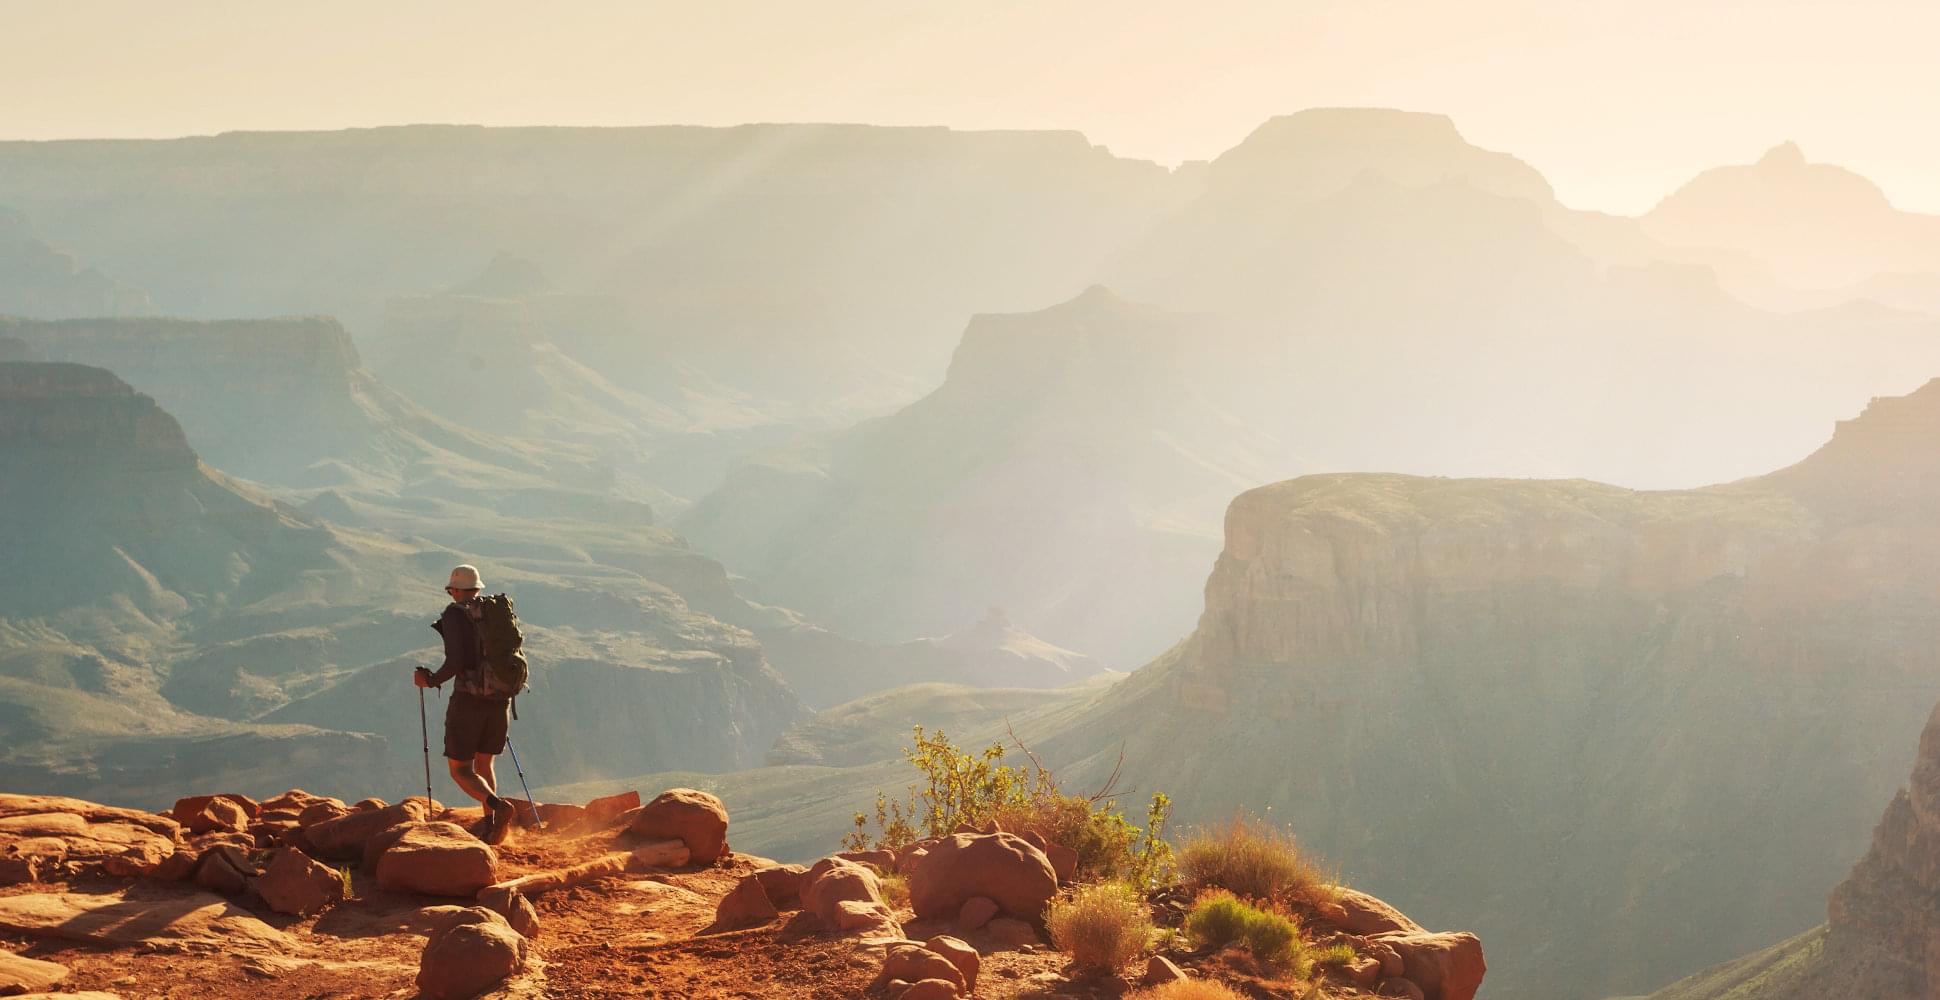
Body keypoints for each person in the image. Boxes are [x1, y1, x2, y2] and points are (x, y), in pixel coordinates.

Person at [413, 564, 517, 844]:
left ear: (456, 589)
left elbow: (456, 661)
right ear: (478, 588)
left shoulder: (455, 614)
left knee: (461, 770)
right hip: (499, 700)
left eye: (450, 590)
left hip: (468, 701)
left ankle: (497, 808)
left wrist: (430, 680)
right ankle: (491, 826)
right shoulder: (494, 613)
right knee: (485, 765)